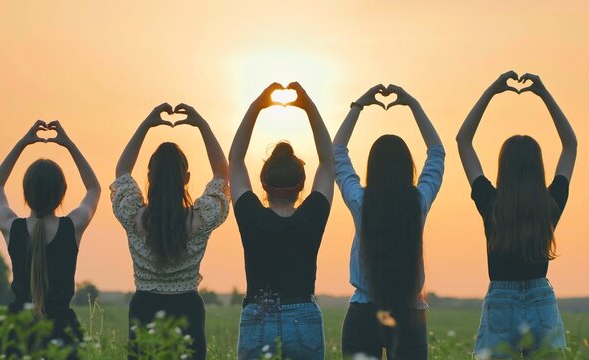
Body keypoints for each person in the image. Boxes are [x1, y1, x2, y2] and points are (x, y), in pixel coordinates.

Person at [456, 71, 577, 358]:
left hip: (501, 300)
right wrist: (544, 93)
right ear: (538, 168)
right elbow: (570, 144)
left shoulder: (491, 202)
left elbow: (463, 140)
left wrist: (492, 91)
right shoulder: (549, 204)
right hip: (541, 300)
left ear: (503, 167)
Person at [334, 84, 445, 359]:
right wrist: (414, 105)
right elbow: (436, 152)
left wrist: (358, 106)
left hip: (363, 314)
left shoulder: (361, 203)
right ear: (408, 167)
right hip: (409, 313)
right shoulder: (417, 202)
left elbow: (337, 152)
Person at [111, 102, 229, 360]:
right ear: (185, 178)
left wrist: (146, 125)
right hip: (188, 308)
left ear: (150, 177)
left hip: (144, 307)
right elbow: (222, 173)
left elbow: (122, 171)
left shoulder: (133, 215)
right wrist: (202, 125)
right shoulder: (200, 218)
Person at [229, 82, 334, 360]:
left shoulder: (251, 215)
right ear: (302, 184)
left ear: (262, 182)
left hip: (257, 315)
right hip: (303, 315)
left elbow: (236, 160)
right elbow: (327, 161)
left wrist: (257, 106)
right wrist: (308, 105)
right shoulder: (312, 215)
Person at [0, 120, 101, 358]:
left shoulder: (12, 227)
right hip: (62, 333)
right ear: (62, 193)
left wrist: (23, 143)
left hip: (15, 332)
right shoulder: (73, 227)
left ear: (26, 193)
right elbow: (94, 188)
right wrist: (68, 144)